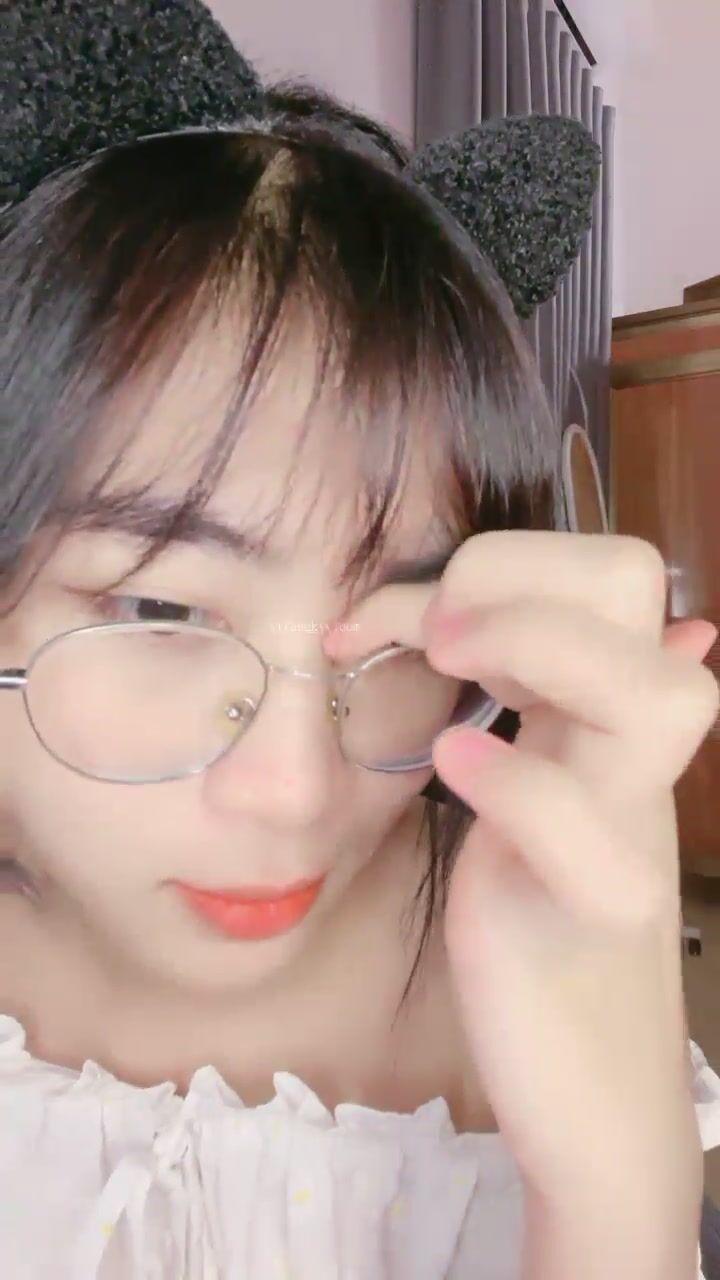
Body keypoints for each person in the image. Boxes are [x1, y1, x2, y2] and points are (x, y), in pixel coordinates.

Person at [1, 2, 719, 1278]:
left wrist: (622, 1186)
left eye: (399, 627)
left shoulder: (535, 954)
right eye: (164, 610)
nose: (297, 792)